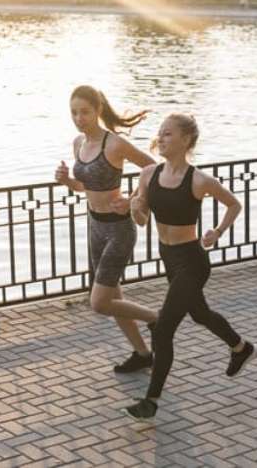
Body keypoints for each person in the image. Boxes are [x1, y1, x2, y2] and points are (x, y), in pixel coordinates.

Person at [125, 113, 257, 420]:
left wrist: (217, 232)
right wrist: (134, 208)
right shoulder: (147, 175)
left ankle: (151, 401)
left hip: (192, 261)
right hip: (168, 258)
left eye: (169, 134)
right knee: (200, 314)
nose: (162, 138)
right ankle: (240, 348)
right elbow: (142, 220)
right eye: (160, 133)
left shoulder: (198, 180)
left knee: (163, 329)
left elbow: (234, 204)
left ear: (186, 140)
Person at [55, 85, 159, 373]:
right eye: (74, 113)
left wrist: (134, 199)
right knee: (113, 298)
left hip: (119, 230)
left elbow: (153, 168)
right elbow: (86, 186)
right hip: (95, 226)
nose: (79, 118)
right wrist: (67, 182)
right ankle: (142, 354)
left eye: (85, 112)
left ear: (98, 110)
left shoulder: (114, 144)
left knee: (99, 303)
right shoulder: (78, 143)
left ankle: (156, 319)